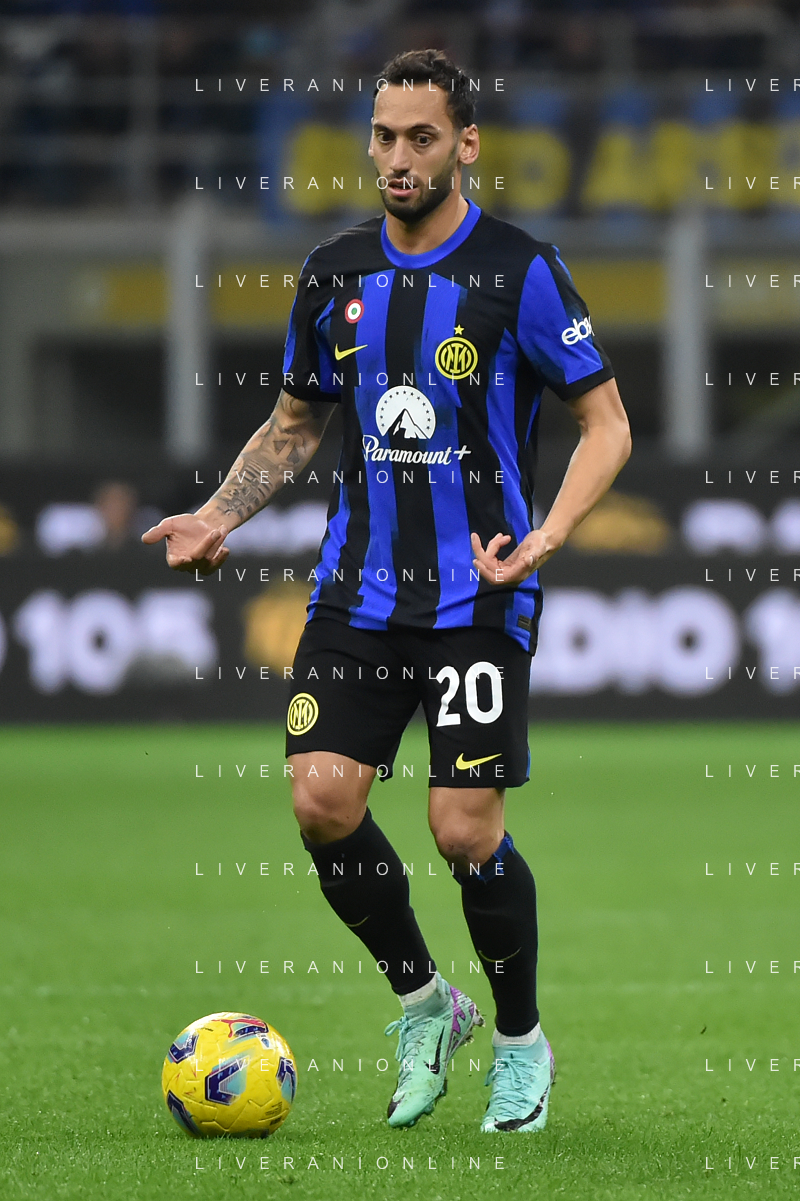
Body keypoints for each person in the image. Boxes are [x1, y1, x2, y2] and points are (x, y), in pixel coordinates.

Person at [143, 48, 631, 1134]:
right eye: (382, 136)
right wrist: (218, 515)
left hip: (479, 593)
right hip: (357, 593)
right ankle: (425, 1003)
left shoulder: (519, 270)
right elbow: (294, 422)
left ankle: (520, 1043)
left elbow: (606, 425)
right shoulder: (333, 271)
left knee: (462, 831)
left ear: (466, 145)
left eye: (421, 137)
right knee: (322, 800)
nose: (397, 157)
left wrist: (548, 533)